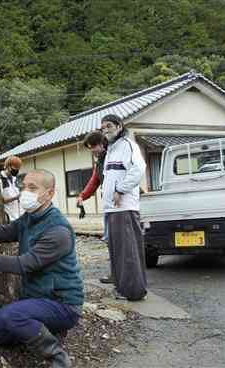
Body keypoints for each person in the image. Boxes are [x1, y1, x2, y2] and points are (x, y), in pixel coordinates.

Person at [0, 169, 83, 368]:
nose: (25, 192)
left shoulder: (58, 231)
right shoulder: (29, 219)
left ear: (50, 193)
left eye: (33, 188)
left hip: (63, 304)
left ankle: (58, 357)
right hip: (35, 300)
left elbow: (22, 264)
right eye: (24, 186)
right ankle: (42, 330)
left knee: (12, 315)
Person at [100, 114, 147, 301]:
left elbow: (139, 169)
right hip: (112, 209)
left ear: (119, 126)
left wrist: (120, 189)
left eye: (109, 126)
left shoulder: (128, 145)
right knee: (117, 251)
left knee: (128, 252)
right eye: (103, 127)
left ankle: (134, 291)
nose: (105, 130)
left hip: (124, 208)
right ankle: (122, 289)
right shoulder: (111, 149)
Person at [75, 131, 113, 284]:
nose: (92, 151)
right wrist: (82, 196)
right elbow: (95, 180)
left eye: (93, 147)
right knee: (110, 240)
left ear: (102, 144)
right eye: (90, 148)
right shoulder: (100, 162)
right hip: (110, 206)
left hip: (121, 206)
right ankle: (115, 273)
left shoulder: (112, 156)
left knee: (118, 241)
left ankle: (122, 275)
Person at [0, 156, 23, 222]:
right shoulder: (0, 179)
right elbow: (1, 200)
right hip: (9, 218)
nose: (17, 170)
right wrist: (16, 197)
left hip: (19, 216)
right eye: (15, 168)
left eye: (18, 168)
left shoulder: (15, 179)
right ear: (8, 166)